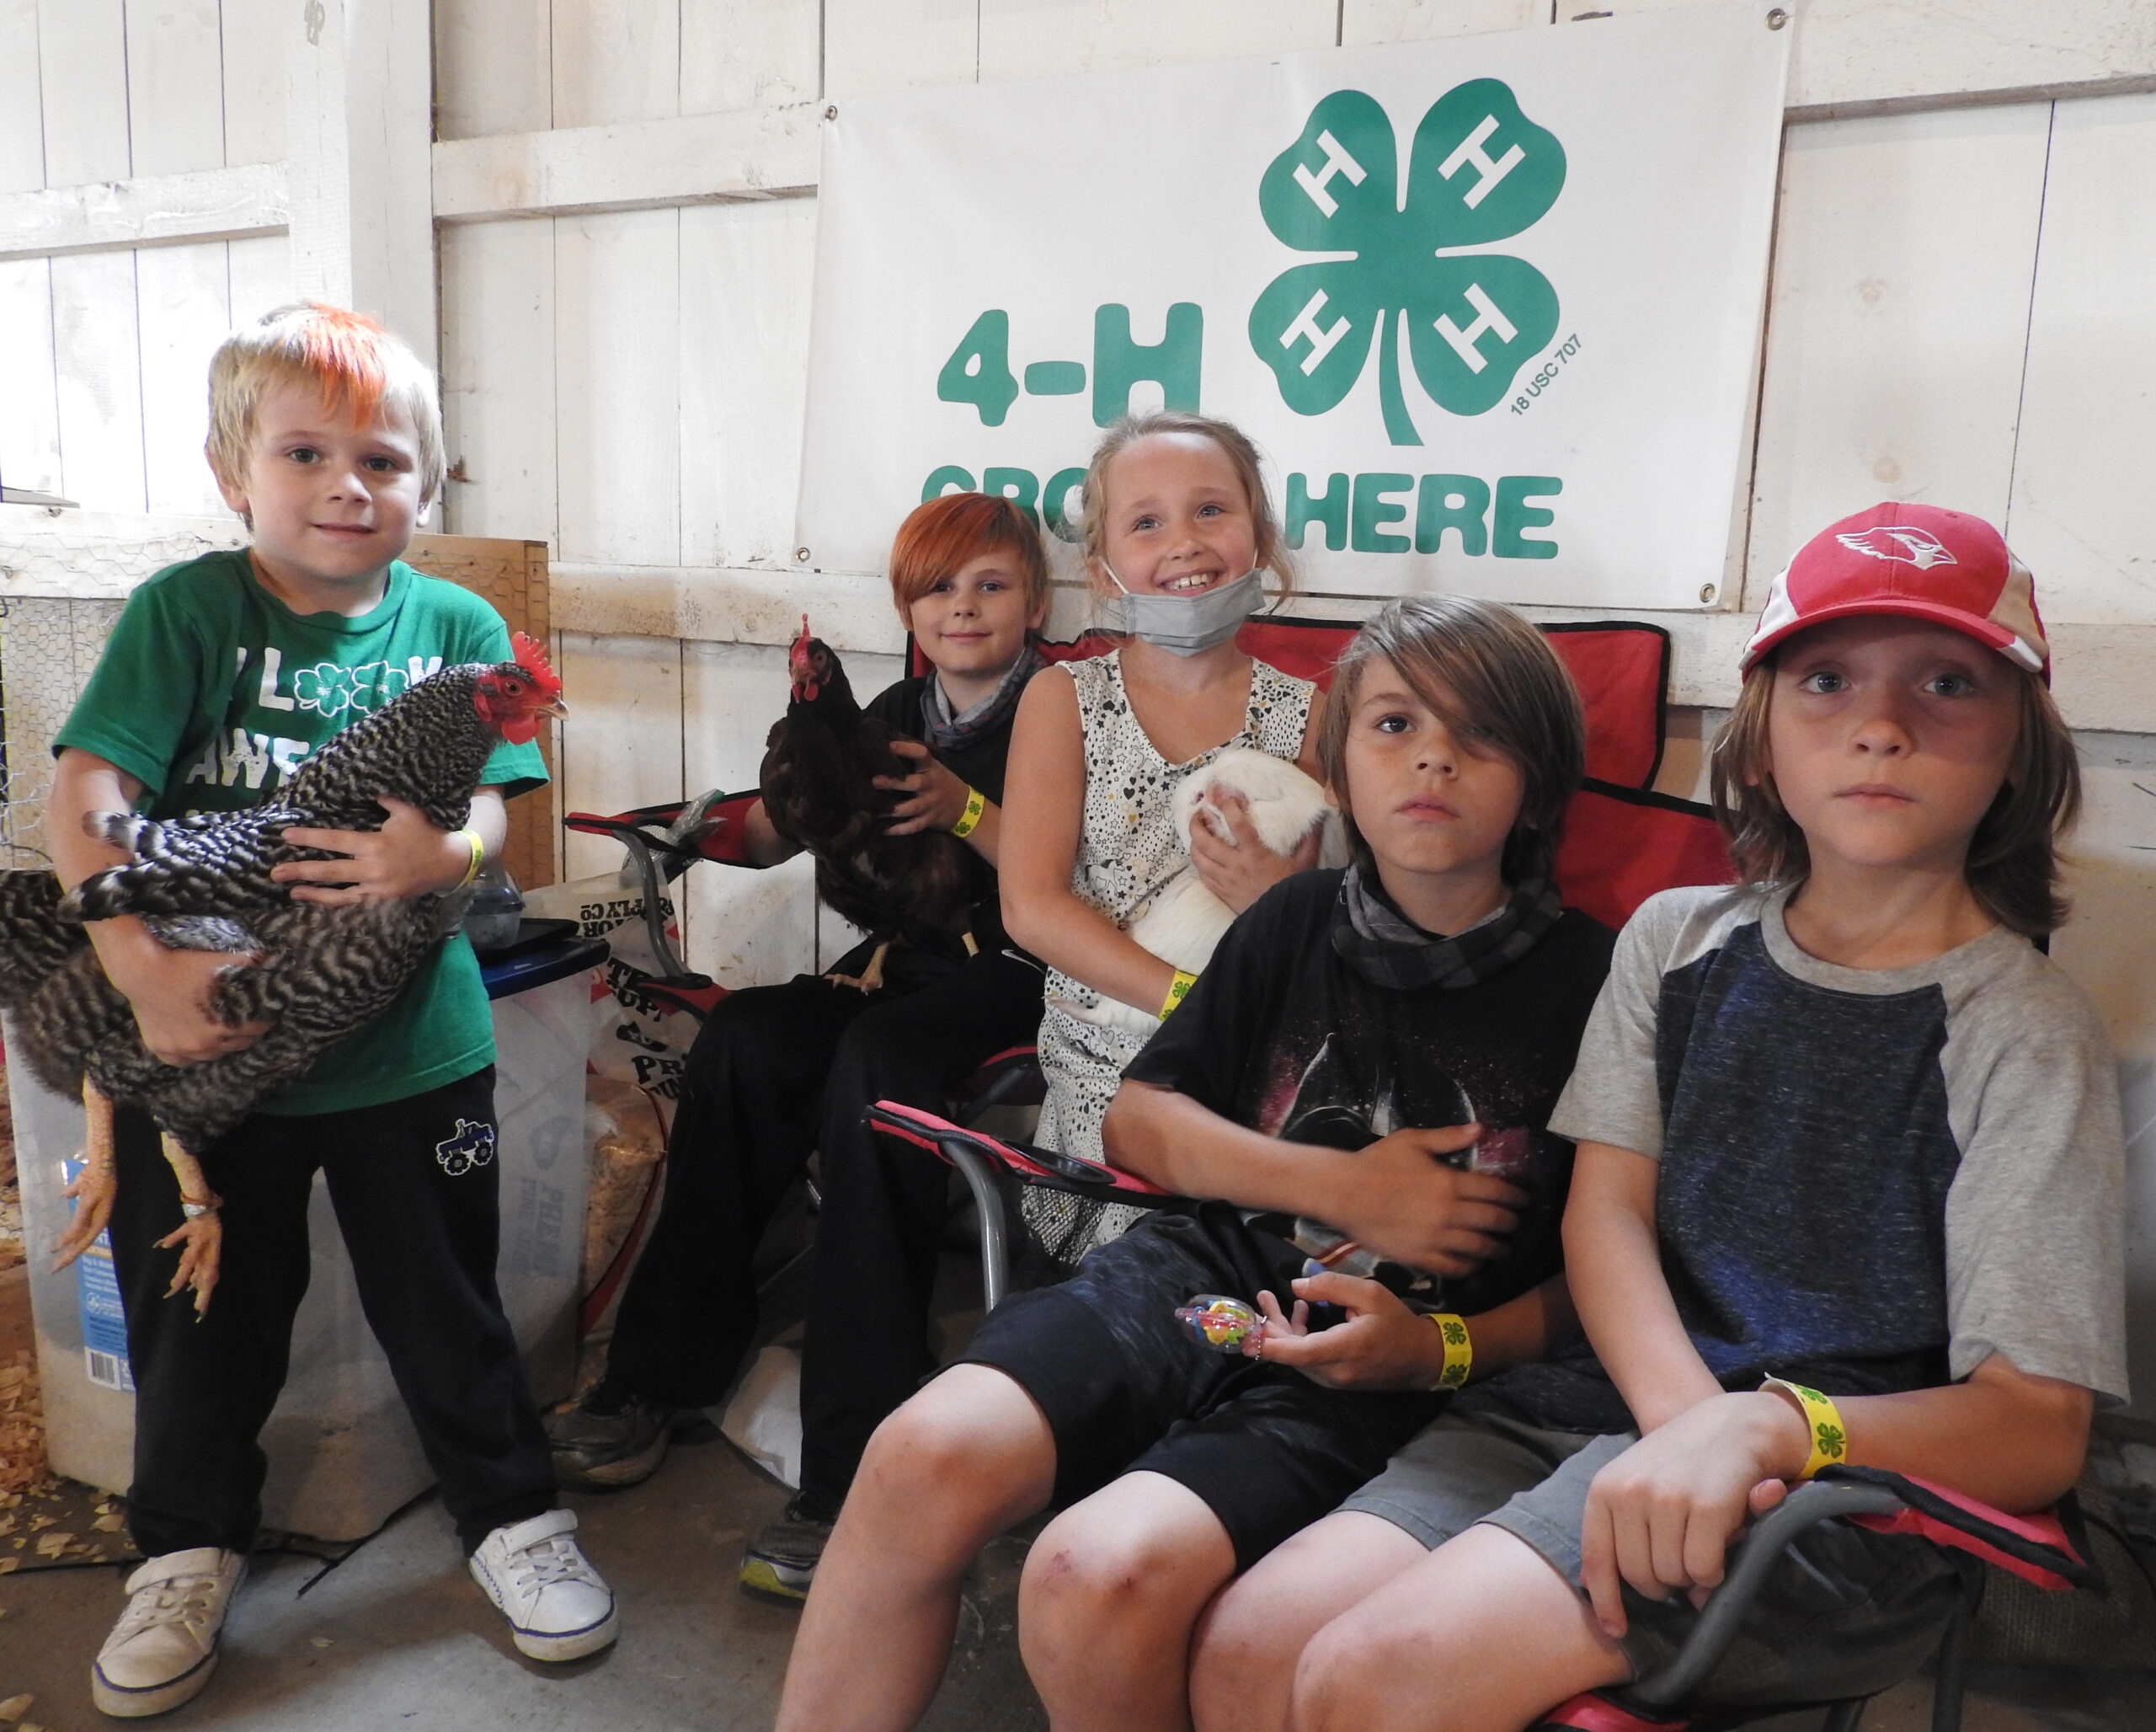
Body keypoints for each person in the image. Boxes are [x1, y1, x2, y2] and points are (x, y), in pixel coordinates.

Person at [1193, 502, 2127, 1732]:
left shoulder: (2025, 1029)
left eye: (1948, 683)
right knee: (1251, 1647)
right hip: (1600, 1418)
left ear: (2021, 744)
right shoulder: (1674, 939)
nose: (1883, 728)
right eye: (1828, 681)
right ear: (1762, 735)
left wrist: (1759, 1434)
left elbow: (2034, 1429)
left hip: (1843, 1493)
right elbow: (1608, 1221)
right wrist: (1687, 1425)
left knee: (1373, 1677)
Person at [774, 595, 1618, 1732]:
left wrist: (1442, 1346)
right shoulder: (1292, 921)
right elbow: (1139, 1124)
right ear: (1338, 765)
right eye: (1393, 725)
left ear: (1542, 778)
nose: (1433, 758)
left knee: (1093, 1574)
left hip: (1385, 1363)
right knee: (921, 1452)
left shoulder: (1599, 986)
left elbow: (1612, 1277)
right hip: (1196, 1272)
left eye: (1482, 734)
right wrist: (1340, 1186)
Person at [46, 302, 616, 1718]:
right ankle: (183, 1548)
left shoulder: (459, 625)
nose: (348, 483)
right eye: (306, 452)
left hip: (418, 1055)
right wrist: (139, 974)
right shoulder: (188, 613)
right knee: (203, 1324)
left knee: (450, 1301)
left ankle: (508, 1516)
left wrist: (454, 850)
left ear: (432, 480)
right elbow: (87, 796)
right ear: (234, 471)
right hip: (214, 1038)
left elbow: (506, 807)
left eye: (384, 458)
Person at [544, 491, 1052, 1603]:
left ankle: (852, 1470)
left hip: (1028, 977)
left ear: (1036, 599)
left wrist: (967, 810)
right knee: (754, 1039)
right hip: (911, 966)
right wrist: (728, 821)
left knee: (879, 1071)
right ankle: (656, 1376)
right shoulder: (891, 709)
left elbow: (1075, 882)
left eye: (990, 585)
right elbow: (789, 827)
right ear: (905, 608)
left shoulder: (1065, 708)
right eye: (937, 588)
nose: (961, 606)